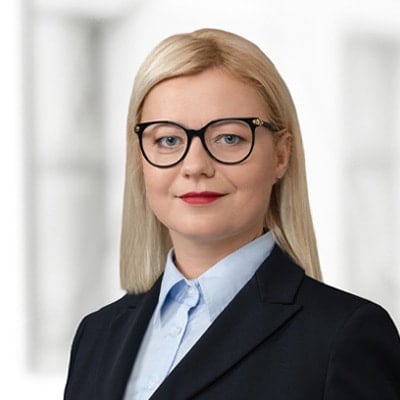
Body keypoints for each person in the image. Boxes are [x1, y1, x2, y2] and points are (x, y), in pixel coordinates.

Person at [64, 28, 400, 400]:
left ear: (281, 155)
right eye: (168, 140)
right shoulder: (97, 335)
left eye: (229, 138)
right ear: (140, 158)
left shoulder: (343, 335)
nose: (195, 165)